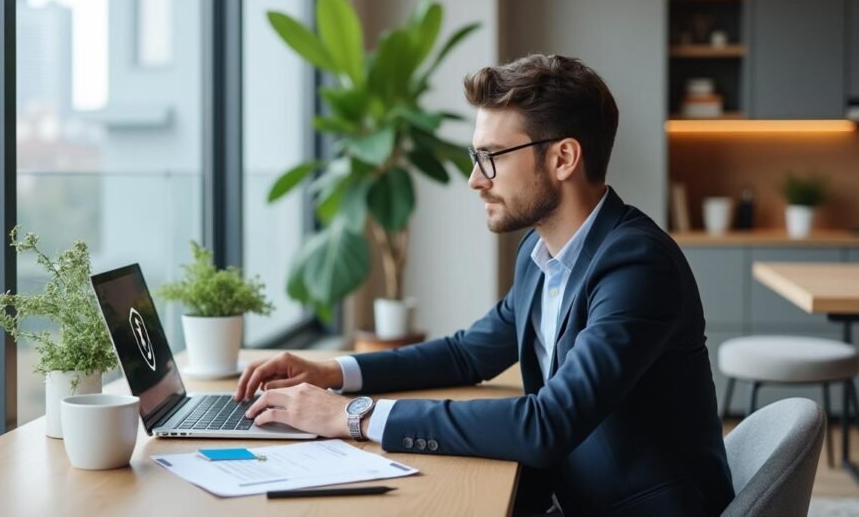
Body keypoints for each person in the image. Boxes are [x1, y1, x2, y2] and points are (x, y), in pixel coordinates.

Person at [235, 54, 735, 515]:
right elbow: (466, 354)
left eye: (491, 156)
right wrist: (330, 372)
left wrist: (354, 416)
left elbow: (547, 424)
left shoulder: (637, 266)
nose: (476, 179)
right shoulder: (541, 257)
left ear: (563, 158)